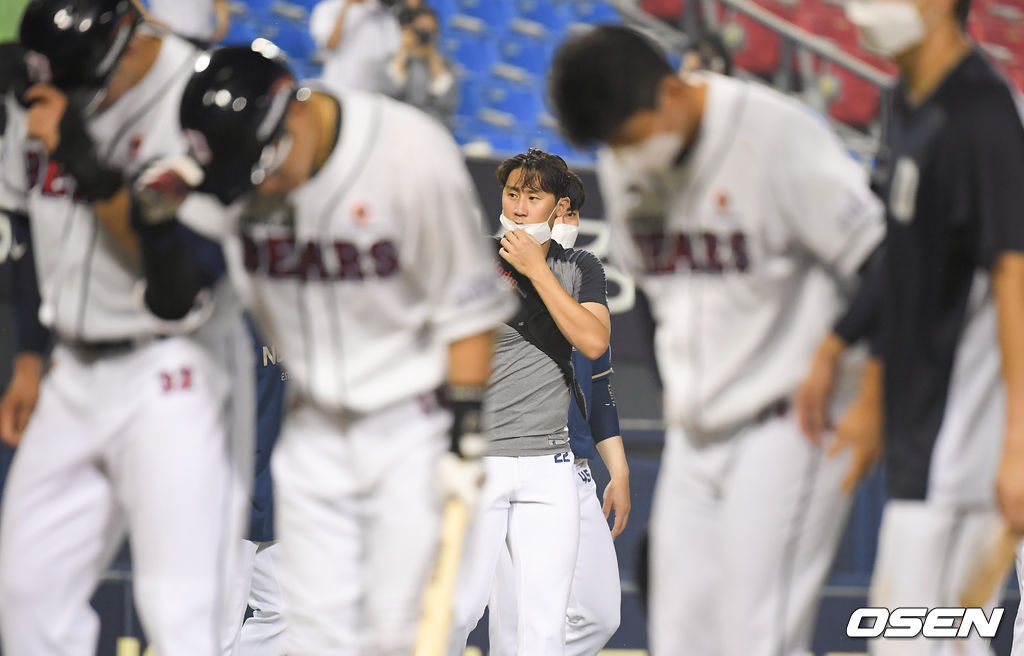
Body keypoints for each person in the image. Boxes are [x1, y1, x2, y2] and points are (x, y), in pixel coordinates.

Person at [163, 44, 515, 654]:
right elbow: (175, 297)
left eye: (263, 164)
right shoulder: (234, 177)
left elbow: (468, 310)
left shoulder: (407, 148)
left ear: (293, 111)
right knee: (315, 635)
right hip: (311, 429)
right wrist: (157, 223)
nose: (261, 184)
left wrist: (464, 439)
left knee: (397, 633)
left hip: (409, 426)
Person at [548, 25, 886, 656]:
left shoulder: (776, 134)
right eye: (613, 145)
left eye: (632, 137)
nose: (626, 155)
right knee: (680, 637)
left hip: (794, 420)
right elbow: (653, 302)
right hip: (697, 431)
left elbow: (882, 259)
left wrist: (864, 384)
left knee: (754, 638)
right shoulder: (626, 163)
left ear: (673, 92)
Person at [0, 0, 252, 653]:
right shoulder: (45, 85)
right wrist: (29, 358)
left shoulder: (197, 100)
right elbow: (22, 217)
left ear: (126, 36)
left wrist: (80, 157)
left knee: (180, 611)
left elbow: (177, 280)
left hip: (177, 365)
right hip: (72, 365)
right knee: (26, 593)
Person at [798, 0, 1024, 654]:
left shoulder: (983, 116)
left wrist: (1016, 441)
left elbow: (1012, 272)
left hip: (965, 441)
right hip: (924, 431)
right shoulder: (906, 103)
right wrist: (842, 345)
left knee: (921, 639)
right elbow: (903, 258)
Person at [445, 148, 611, 656]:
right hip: (480, 461)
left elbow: (593, 341)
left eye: (533, 197)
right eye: (512, 193)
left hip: (550, 466)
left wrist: (538, 270)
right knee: (457, 613)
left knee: (545, 627)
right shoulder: (472, 258)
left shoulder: (580, 266)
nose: (518, 207)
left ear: (559, 208)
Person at [486, 169, 629, 656]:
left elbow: (599, 378)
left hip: (568, 464)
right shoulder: (493, 267)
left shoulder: (581, 278)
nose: (564, 221)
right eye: (515, 195)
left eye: (569, 213)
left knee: (594, 615)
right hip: (502, 450)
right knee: (507, 619)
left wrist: (618, 469)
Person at [222, 326, 288, 656]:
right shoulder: (227, 319)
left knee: (286, 614)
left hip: (271, 489)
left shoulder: (296, 314)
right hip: (223, 494)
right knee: (215, 635)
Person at [379, 7, 458, 127]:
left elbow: (447, 102)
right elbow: (386, 92)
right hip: (398, 124)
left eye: (430, 32)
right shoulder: (394, 59)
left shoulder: (446, 65)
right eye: (421, 30)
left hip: (431, 126)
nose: (424, 36)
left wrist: (433, 59)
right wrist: (404, 51)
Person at [310, 0, 400, 93]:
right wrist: (346, 6)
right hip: (337, 86)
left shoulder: (384, 14)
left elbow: (392, 54)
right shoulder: (328, 8)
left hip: (370, 91)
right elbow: (331, 44)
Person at [143, 0, 230, 46]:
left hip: (202, 38)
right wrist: (146, 16)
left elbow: (219, 1)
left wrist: (223, 24)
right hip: (163, 38)